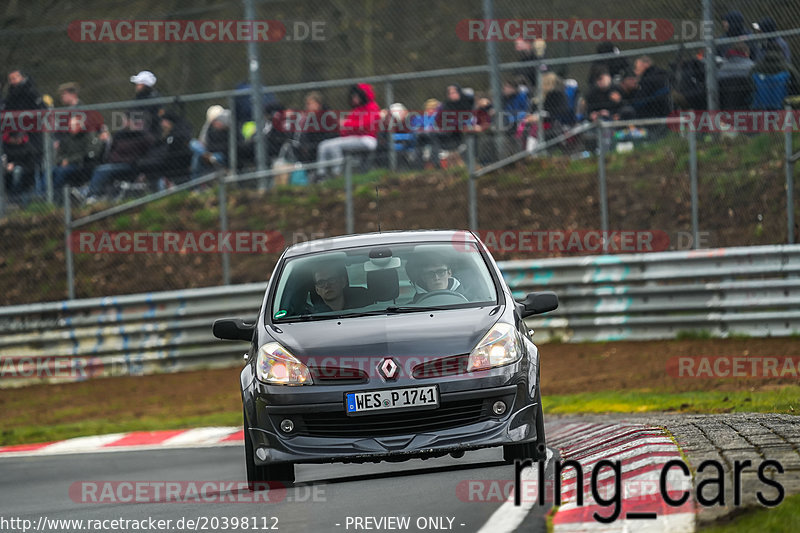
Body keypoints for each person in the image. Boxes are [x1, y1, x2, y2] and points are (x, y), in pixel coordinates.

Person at [315, 83, 381, 179]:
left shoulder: (373, 107)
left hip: (367, 139)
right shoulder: (356, 110)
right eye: (352, 96)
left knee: (334, 146)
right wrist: (343, 127)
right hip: (355, 138)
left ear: (362, 96)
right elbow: (346, 130)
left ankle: (336, 174)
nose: (354, 99)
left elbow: (364, 126)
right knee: (323, 145)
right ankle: (320, 174)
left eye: (356, 96)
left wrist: (346, 124)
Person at [52, 115, 102, 194]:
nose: (70, 128)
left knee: (61, 172)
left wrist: (69, 160)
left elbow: (87, 153)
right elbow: (60, 154)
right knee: (50, 171)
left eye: (73, 125)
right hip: (64, 164)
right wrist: (62, 161)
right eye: (70, 126)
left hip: (79, 165)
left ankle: (52, 195)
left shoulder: (87, 135)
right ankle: (39, 195)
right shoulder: (67, 137)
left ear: (80, 125)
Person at [751, 41, 800, 109]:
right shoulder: (789, 68)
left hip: (760, 107)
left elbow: (748, 87)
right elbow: (797, 86)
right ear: (781, 52)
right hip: (783, 106)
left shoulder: (756, 68)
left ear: (766, 52)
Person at [717, 43, 756, 110]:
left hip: (724, 104)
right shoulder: (752, 67)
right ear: (746, 53)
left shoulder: (722, 68)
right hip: (746, 104)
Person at [129, 70, 162, 137]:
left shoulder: (154, 98)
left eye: (139, 84)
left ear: (144, 85)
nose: (136, 86)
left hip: (150, 132)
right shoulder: (138, 98)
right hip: (138, 131)